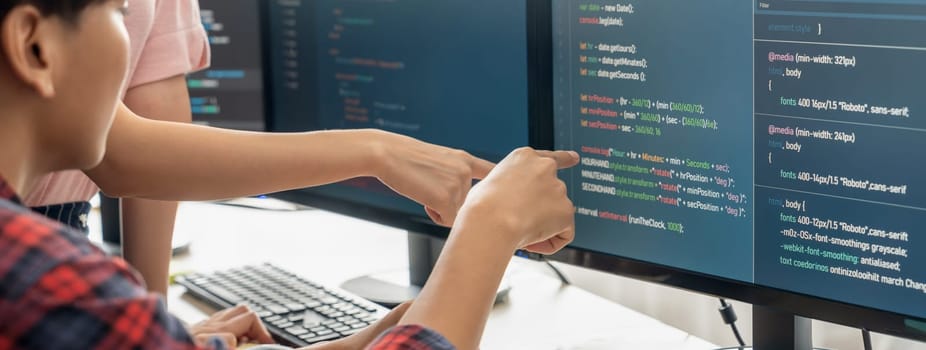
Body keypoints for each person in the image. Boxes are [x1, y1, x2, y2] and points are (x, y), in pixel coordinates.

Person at [0, 0, 579, 349]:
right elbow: (125, 153)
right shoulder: (39, 279)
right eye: (120, 13)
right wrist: (491, 223)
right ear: (33, 47)